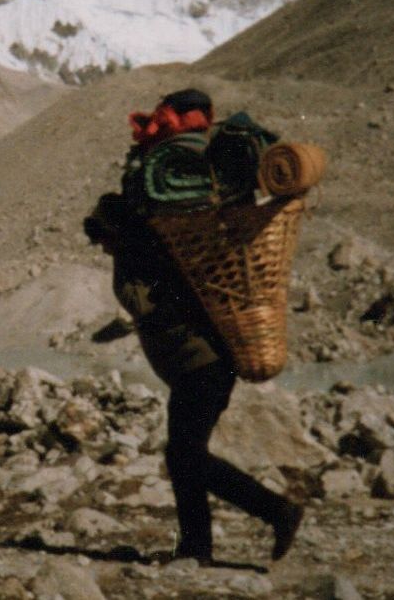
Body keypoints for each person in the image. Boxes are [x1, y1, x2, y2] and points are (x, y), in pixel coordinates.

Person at [84, 88, 304, 564]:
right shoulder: (160, 249)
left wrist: (123, 259)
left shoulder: (141, 256)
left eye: (102, 240)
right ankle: (195, 548)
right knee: (182, 454)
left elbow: (142, 302)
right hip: (202, 365)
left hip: (200, 365)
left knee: (185, 456)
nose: (101, 248)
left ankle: (276, 510)